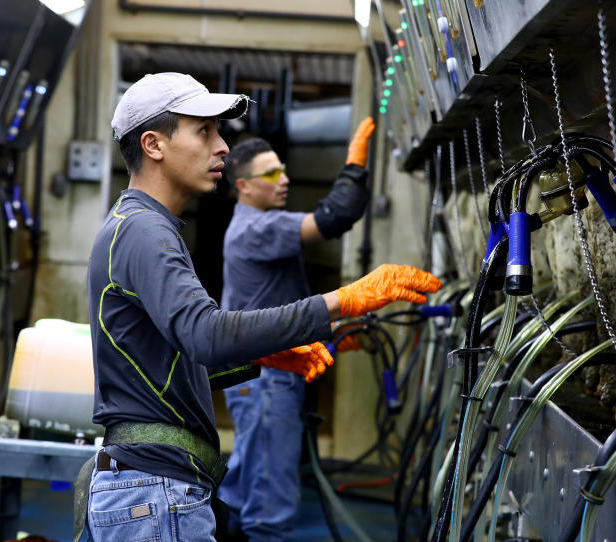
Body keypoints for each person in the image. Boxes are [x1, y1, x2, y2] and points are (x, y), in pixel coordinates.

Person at [79, 72, 441, 542]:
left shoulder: (142, 225)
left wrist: (262, 357)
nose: (223, 147)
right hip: (153, 491)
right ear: (154, 144)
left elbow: (167, 358)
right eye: (204, 131)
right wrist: (340, 301)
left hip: (152, 489)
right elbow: (204, 333)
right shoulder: (145, 231)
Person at [218, 119, 374, 541]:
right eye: (270, 173)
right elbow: (334, 217)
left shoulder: (254, 226)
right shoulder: (258, 228)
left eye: (282, 169)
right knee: (270, 500)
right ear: (244, 186)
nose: (283, 179)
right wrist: (354, 165)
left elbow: (280, 305)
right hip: (268, 379)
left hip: (262, 375)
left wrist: (333, 335)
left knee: (249, 474)